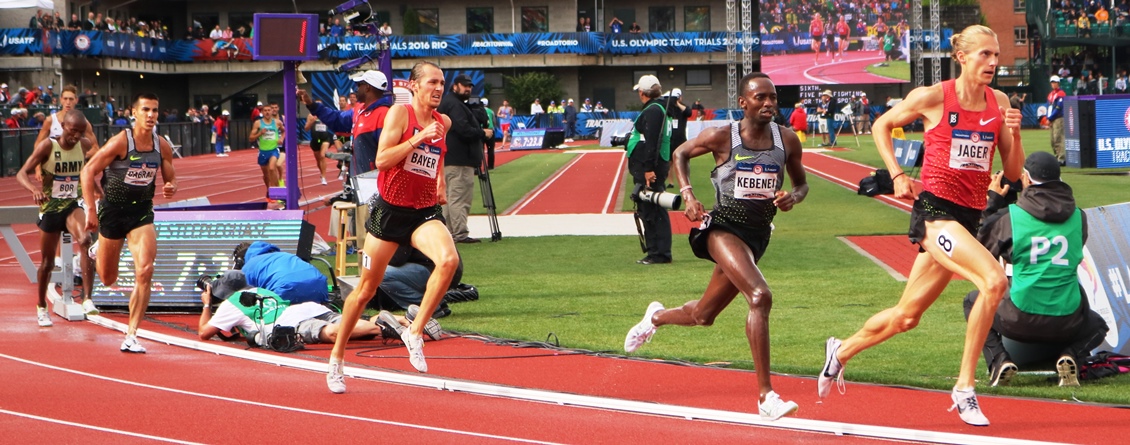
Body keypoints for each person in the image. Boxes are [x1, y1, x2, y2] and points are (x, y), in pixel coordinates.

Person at [817, 25, 1026, 427]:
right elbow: (882, 125)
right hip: (933, 213)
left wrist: (1014, 136)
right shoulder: (934, 97)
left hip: (967, 217)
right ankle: (965, 388)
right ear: (962, 57)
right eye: (985, 54)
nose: (994, 63)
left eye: (996, 55)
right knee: (994, 282)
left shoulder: (998, 102)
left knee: (906, 317)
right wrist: (896, 173)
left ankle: (840, 352)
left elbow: (1013, 173)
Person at [625, 72, 808, 421]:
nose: (769, 103)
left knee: (703, 316)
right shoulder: (723, 136)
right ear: (743, 102)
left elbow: (802, 184)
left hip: (757, 235)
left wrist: (792, 198)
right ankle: (766, 396)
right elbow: (680, 154)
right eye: (760, 98)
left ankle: (656, 317)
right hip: (723, 228)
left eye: (773, 97)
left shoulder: (787, 140)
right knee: (760, 295)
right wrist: (689, 194)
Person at [326, 61, 459, 392]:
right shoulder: (400, 116)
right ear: (414, 86)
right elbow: (382, 160)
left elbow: (437, 157)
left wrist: (440, 181)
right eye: (432, 82)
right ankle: (336, 360)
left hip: (423, 212)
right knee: (365, 291)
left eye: (442, 82)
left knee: (449, 261)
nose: (439, 88)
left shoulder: (444, 121)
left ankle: (414, 331)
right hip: (389, 213)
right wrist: (418, 139)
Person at [964, 153, 1108, 388]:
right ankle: (1071, 356)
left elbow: (980, 248)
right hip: (1067, 321)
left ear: (1027, 180)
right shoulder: (1079, 217)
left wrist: (992, 204)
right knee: (1099, 325)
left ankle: (999, 361)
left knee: (973, 302)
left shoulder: (1011, 217)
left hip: (1018, 318)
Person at [81, 92, 179, 354]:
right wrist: (91, 209)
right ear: (133, 113)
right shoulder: (120, 142)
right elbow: (88, 171)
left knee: (145, 270)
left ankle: (132, 334)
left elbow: (170, 176)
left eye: (155, 111)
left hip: (141, 213)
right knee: (108, 278)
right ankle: (98, 249)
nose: (151, 115)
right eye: (145, 110)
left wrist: (170, 186)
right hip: (113, 213)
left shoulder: (162, 145)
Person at [17, 109, 99, 326]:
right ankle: (41, 306)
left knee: (85, 241)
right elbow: (21, 173)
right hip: (51, 207)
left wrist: (95, 186)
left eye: (80, 132)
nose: (76, 136)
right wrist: (33, 190)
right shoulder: (48, 146)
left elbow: (89, 169)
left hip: (72, 205)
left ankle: (88, 299)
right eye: (73, 131)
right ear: (63, 127)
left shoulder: (83, 145)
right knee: (46, 262)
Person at [197, 270, 418, 348]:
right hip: (306, 308)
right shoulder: (260, 290)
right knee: (343, 321)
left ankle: (381, 327)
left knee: (331, 333)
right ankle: (407, 321)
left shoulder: (230, 304)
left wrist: (207, 303)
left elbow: (204, 333)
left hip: (289, 323)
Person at [299, 70, 390, 177]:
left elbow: (387, 153)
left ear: (367, 88)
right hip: (358, 178)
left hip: (375, 180)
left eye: (359, 85)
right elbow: (336, 119)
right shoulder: (359, 110)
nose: (356, 88)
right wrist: (311, 104)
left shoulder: (384, 114)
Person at [626, 74, 673, 265]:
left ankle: (659, 253)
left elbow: (651, 141)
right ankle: (656, 252)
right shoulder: (660, 108)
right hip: (655, 165)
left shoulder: (653, 110)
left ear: (642, 92)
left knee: (651, 211)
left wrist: (647, 169)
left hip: (650, 168)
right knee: (652, 209)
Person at [439, 74, 491, 244]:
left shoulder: (451, 103)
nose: (468, 89)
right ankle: (459, 233)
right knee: (459, 197)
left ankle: (449, 232)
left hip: (450, 158)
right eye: (464, 86)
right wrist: (483, 132)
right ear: (455, 86)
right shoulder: (455, 105)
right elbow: (463, 129)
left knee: (449, 198)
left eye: (470, 86)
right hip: (459, 160)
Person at [375, 244, 464, 318]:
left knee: (381, 273)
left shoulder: (403, 225)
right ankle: (434, 303)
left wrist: (376, 255)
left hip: (441, 271)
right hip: (447, 270)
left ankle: (430, 307)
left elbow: (397, 259)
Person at [231, 241, 330, 305]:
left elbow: (244, 298)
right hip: (320, 286)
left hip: (286, 291)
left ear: (241, 261)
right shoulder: (285, 254)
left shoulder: (248, 267)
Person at [249, 100, 284, 199]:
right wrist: (260, 133)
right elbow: (251, 138)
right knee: (266, 175)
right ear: (262, 112)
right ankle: (269, 189)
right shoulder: (258, 123)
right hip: (263, 151)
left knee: (272, 168)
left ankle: (277, 192)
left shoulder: (277, 122)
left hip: (274, 149)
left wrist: (281, 138)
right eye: (265, 110)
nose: (268, 112)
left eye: (269, 110)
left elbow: (284, 131)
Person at [304, 105, 333, 184]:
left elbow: (332, 124)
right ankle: (322, 172)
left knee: (322, 155)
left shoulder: (326, 114)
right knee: (318, 160)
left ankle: (324, 177)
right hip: (315, 140)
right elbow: (306, 128)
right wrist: (311, 122)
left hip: (325, 139)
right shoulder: (310, 116)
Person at [1047, 76, 1067, 166]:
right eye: (1052, 82)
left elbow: (1059, 107)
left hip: (1058, 118)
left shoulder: (1061, 94)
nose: (1053, 84)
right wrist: (1048, 117)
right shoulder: (1051, 94)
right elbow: (1049, 107)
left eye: (1055, 82)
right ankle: (1057, 156)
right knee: (1053, 140)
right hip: (1052, 118)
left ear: (1058, 83)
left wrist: (1050, 117)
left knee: (1058, 138)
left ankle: (1061, 158)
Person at [481, 97, 497, 170]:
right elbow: (494, 121)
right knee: (490, 149)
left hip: (481, 130)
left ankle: (478, 166)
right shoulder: (491, 111)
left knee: (480, 149)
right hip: (490, 130)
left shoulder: (479, 110)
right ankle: (490, 166)